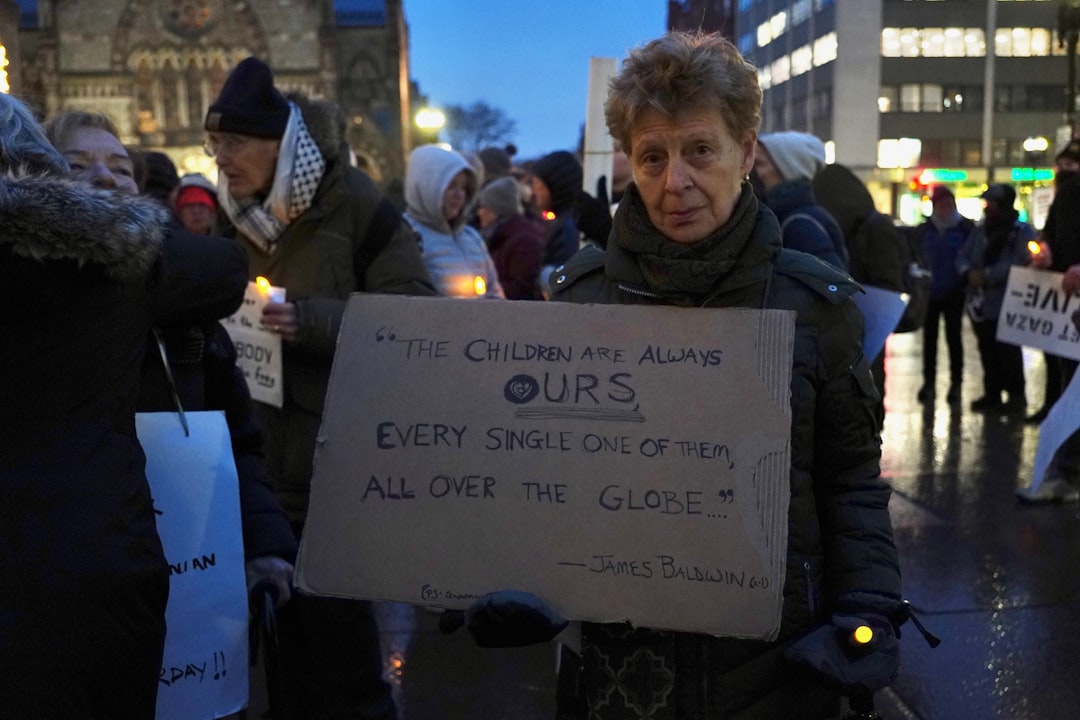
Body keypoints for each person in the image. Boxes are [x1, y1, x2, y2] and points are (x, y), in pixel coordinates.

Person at [458, 32, 907, 719]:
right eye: (652, 157)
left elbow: (850, 478)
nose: (676, 183)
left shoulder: (813, 310)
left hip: (773, 670)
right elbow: (544, 478)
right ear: (629, 165)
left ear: (745, 152)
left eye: (699, 150)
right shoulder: (579, 301)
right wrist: (501, 573)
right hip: (616, 676)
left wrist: (869, 603)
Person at [204, 55, 436, 719]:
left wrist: (305, 320)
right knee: (284, 668)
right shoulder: (228, 214)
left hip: (335, 463)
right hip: (253, 468)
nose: (221, 159)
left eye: (235, 144)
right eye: (215, 144)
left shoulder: (354, 202)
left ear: (280, 145)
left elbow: (413, 316)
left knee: (344, 665)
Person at [1, 93, 245, 719]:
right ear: (41, 166)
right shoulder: (110, 263)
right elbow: (223, 267)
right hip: (92, 555)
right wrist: (114, 220)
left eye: (120, 166)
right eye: (78, 166)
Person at [813, 163, 907, 427]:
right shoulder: (853, 227)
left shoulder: (873, 228)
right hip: (858, 329)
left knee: (865, 395)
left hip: (867, 326)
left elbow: (889, 285)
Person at [957, 183, 1034, 415]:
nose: (987, 207)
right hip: (982, 304)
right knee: (987, 348)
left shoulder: (1020, 230)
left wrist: (989, 275)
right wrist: (968, 273)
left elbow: (1021, 261)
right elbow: (963, 255)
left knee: (1009, 350)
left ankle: (1016, 396)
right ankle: (993, 393)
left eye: (991, 203)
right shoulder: (981, 230)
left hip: (1008, 301)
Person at [403, 143, 505, 299]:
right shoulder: (406, 237)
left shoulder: (471, 237)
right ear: (427, 185)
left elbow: (494, 292)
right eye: (451, 186)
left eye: (463, 187)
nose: (459, 195)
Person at [753, 131, 848, 270]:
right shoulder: (784, 216)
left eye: (759, 164)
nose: (752, 171)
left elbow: (832, 286)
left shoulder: (801, 225)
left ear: (787, 169)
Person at [917, 186, 975, 405]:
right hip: (930, 293)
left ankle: (956, 383)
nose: (946, 209)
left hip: (954, 293)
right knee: (929, 340)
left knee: (954, 338)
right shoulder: (925, 230)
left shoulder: (965, 228)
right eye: (942, 205)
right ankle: (929, 383)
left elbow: (970, 256)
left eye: (949, 205)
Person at [476, 175, 546, 300]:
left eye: (483, 207)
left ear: (496, 210)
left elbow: (523, 288)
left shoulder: (523, 242)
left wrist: (487, 290)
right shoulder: (500, 236)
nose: (479, 213)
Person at [529, 149, 584, 292]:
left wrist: (543, 276)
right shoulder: (570, 219)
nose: (533, 192)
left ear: (555, 185)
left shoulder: (569, 227)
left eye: (537, 185)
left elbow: (564, 279)